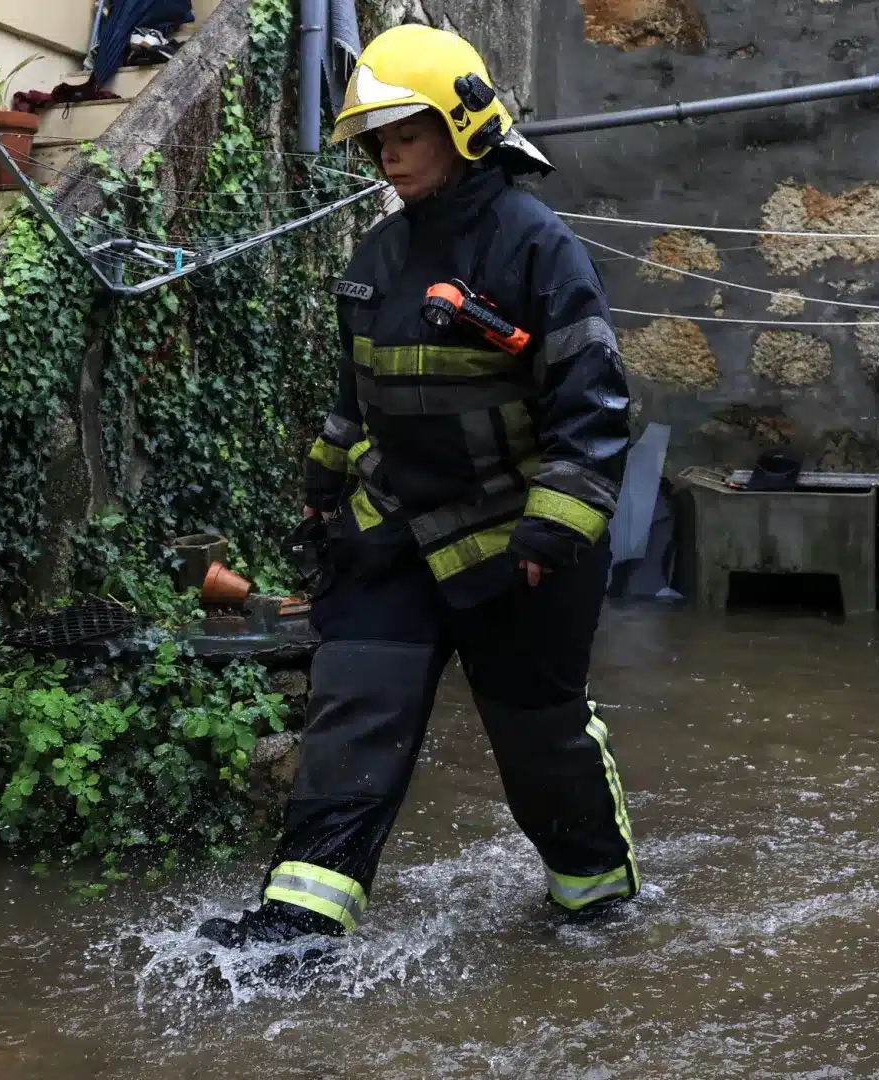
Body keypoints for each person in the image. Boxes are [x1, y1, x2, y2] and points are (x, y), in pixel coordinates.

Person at [199, 24, 639, 949]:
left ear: (465, 126)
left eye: (406, 131)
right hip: (392, 533)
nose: (388, 154)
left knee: (538, 744)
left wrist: (550, 539)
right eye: (376, 139)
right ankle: (300, 929)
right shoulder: (376, 262)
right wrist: (321, 503)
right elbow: (349, 410)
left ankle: (597, 903)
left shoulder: (539, 251)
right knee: (353, 715)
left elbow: (591, 411)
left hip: (514, 547)